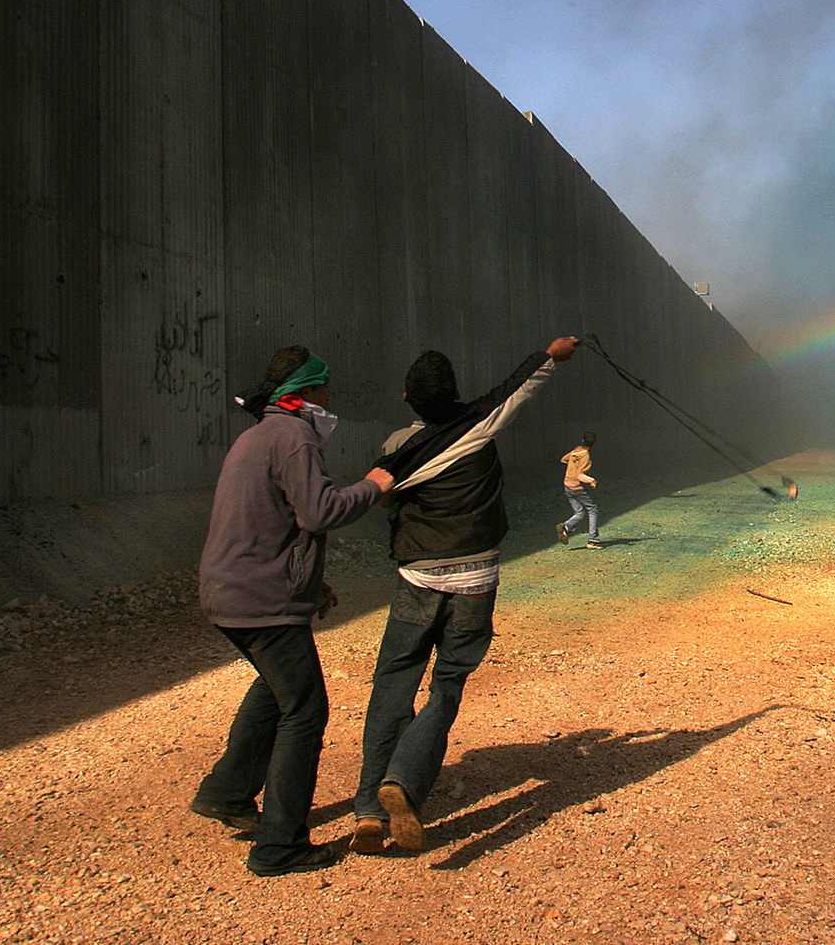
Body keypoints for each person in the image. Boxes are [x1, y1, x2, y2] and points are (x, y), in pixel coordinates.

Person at [350, 336, 580, 855]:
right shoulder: (479, 428)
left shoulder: (396, 449)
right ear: (454, 395)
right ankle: (405, 782)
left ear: (408, 399)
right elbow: (515, 391)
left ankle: (367, 809)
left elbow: (382, 502)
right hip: (476, 581)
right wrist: (551, 354)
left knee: (392, 684)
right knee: (447, 685)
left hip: (417, 580)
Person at [188, 346, 394, 877]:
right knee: (304, 710)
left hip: (229, 592)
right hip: (261, 601)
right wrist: (375, 486)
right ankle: (280, 846)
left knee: (274, 687)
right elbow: (320, 511)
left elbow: (266, 521)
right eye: (325, 389)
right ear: (303, 395)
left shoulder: (256, 436)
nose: (331, 398)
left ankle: (227, 792)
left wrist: (308, 580)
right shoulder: (295, 437)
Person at [556, 431, 602, 549]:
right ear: (594, 444)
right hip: (577, 487)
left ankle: (566, 527)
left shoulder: (575, 452)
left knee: (579, 512)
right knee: (593, 509)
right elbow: (580, 475)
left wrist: (573, 464)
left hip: (567, 485)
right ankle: (593, 540)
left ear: (582, 440)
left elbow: (563, 460)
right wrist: (591, 480)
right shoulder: (585, 456)